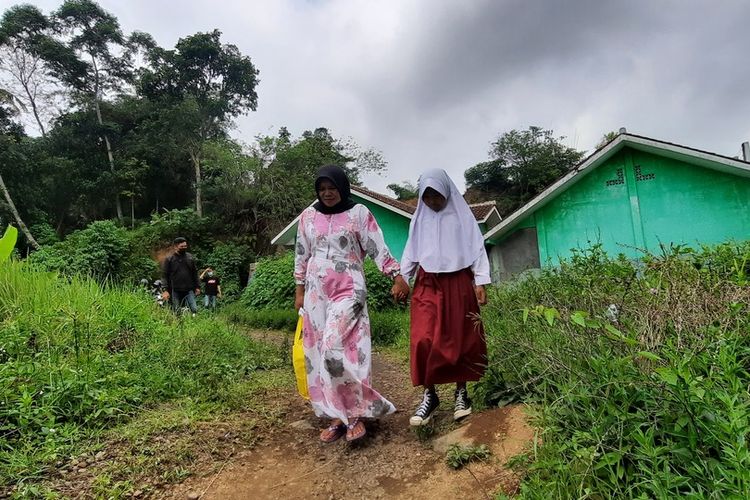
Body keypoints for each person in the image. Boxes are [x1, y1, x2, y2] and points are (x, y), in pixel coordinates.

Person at [294, 164, 410, 443]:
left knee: (338, 349)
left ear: (342, 187)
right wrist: (299, 289)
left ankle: (357, 413)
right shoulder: (308, 217)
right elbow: (301, 254)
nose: (327, 193)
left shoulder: (358, 214)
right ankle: (338, 416)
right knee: (321, 353)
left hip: (349, 290)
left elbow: (376, 246)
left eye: (332, 188)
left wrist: (396, 275)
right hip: (316, 294)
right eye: (322, 189)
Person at [398, 168, 490, 427]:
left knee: (459, 337)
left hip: (458, 281)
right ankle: (430, 394)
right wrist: (403, 278)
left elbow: (476, 247)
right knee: (424, 339)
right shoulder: (419, 219)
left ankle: (462, 393)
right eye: (426, 197)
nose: (432, 202)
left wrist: (481, 280)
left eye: (436, 196)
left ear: (446, 193)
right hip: (427, 282)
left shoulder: (462, 218)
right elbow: (411, 251)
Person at [162, 237, 201, 316]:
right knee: (177, 310)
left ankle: (193, 324)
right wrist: (165, 290)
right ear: (176, 246)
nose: (184, 248)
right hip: (175, 289)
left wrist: (197, 286)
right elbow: (165, 275)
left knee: (194, 309)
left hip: (189, 289)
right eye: (182, 246)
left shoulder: (189, 257)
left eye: (185, 246)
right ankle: (178, 325)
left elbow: (194, 273)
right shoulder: (169, 259)